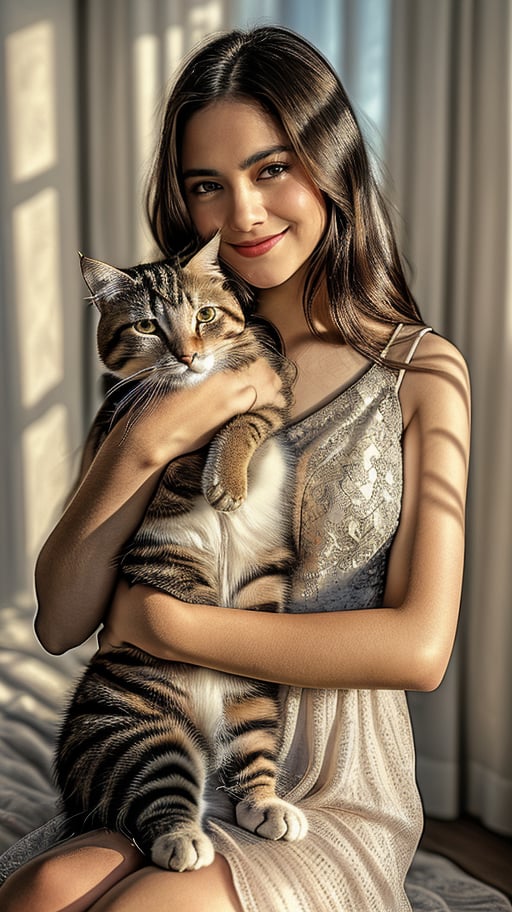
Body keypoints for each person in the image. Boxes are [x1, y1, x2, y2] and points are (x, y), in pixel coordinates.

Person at [0, 24, 470, 912]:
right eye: (206, 185)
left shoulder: (421, 371)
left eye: (272, 169)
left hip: (323, 774)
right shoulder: (167, 363)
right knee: (40, 894)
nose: (244, 215)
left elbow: (421, 649)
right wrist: (146, 439)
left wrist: (166, 625)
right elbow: (61, 620)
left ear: (329, 163)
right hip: (158, 738)